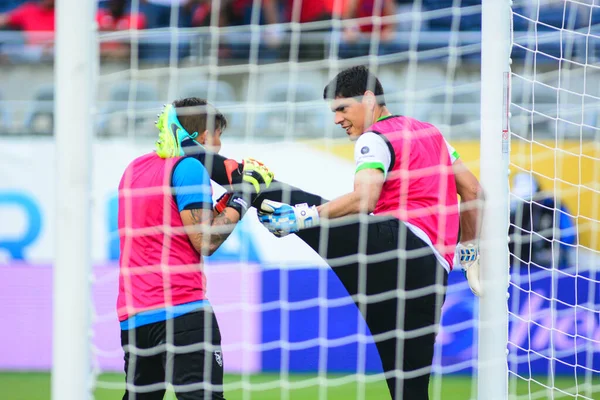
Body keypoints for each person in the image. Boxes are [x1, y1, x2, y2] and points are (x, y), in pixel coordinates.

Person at [255, 66, 483, 400]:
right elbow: (474, 192)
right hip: (433, 277)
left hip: (396, 249)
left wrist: (306, 217)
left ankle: (220, 168)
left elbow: (364, 199)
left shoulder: (374, 138)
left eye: (341, 109)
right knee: (410, 388)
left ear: (368, 99)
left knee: (282, 196)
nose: (337, 120)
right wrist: (469, 249)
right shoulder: (434, 135)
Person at [117, 97, 274, 400]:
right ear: (203, 136)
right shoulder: (189, 167)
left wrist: (226, 201)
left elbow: (173, 223)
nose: (219, 147)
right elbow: (206, 241)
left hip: (135, 315)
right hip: (182, 310)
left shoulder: (134, 169)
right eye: (218, 137)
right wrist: (244, 196)